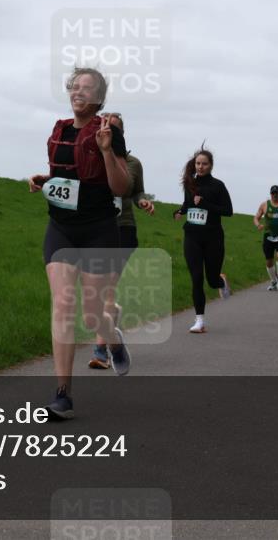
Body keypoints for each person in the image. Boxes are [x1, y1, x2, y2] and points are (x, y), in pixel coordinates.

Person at [28, 67, 131, 420]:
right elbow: (67, 176)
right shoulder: (59, 129)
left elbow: (121, 187)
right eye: (75, 86)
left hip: (99, 231)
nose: (79, 91)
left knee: (91, 314)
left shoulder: (108, 132)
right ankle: (62, 393)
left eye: (87, 88)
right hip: (61, 229)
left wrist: (105, 151)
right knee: (62, 304)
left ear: (99, 98)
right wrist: (45, 179)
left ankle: (112, 340)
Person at [89, 114, 155, 369]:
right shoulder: (93, 159)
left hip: (123, 229)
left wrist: (143, 201)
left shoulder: (133, 163)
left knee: (107, 289)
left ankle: (100, 351)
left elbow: (137, 191)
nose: (106, 129)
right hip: (96, 230)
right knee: (98, 294)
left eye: (112, 127)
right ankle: (111, 329)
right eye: (102, 124)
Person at [175, 149, 233, 334]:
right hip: (192, 235)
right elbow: (188, 204)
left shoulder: (218, 186)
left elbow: (228, 211)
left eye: (204, 164)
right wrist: (180, 211)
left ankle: (221, 282)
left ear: (211, 165)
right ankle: (199, 321)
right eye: (198, 163)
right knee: (197, 278)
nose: (200, 167)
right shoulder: (189, 184)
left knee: (211, 280)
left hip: (213, 237)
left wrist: (205, 204)